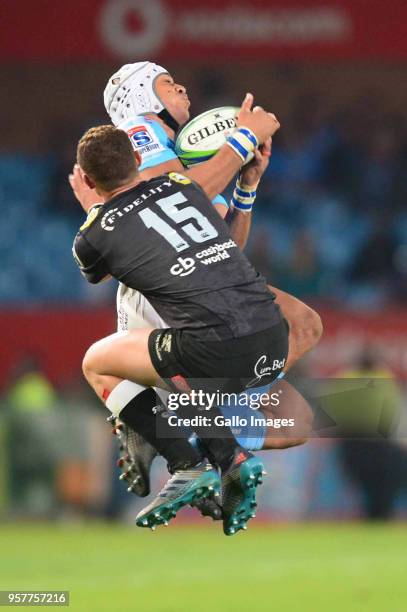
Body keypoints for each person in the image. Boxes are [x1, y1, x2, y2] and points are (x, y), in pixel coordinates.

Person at [69, 61, 317, 513]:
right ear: (140, 97)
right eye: (167, 82)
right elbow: (178, 194)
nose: (181, 86)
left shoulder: (182, 156)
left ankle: (183, 424)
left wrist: (247, 188)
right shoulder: (138, 132)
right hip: (170, 299)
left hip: (204, 290)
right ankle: (183, 425)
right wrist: (243, 139)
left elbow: (223, 246)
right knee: (301, 325)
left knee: (296, 419)